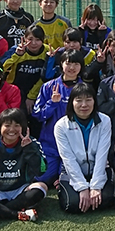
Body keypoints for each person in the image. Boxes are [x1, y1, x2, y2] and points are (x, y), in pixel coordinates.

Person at [54, 82, 115, 213]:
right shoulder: (61, 126)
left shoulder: (105, 120)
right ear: (71, 102)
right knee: (72, 205)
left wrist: (96, 186)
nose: (84, 105)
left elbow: (102, 154)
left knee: (106, 200)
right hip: (72, 172)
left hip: (97, 170)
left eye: (88, 100)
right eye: (79, 100)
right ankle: (62, 186)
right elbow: (68, 158)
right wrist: (82, 187)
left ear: (94, 101)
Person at [32, 49, 84, 187]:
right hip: (50, 144)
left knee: (69, 180)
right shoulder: (48, 87)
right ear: (61, 64)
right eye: (68, 63)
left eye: (76, 64)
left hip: (75, 145)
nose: (72, 68)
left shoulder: (84, 89)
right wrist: (52, 103)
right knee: (42, 178)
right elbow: (38, 115)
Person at [2, 24, 51, 131]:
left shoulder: (48, 51)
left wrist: (32, 96)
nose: (33, 43)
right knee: (18, 120)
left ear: (43, 40)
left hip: (38, 92)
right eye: (30, 39)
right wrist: (17, 55)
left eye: (38, 40)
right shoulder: (16, 50)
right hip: (16, 92)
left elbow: (46, 77)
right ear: (24, 39)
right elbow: (1, 69)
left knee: (37, 121)